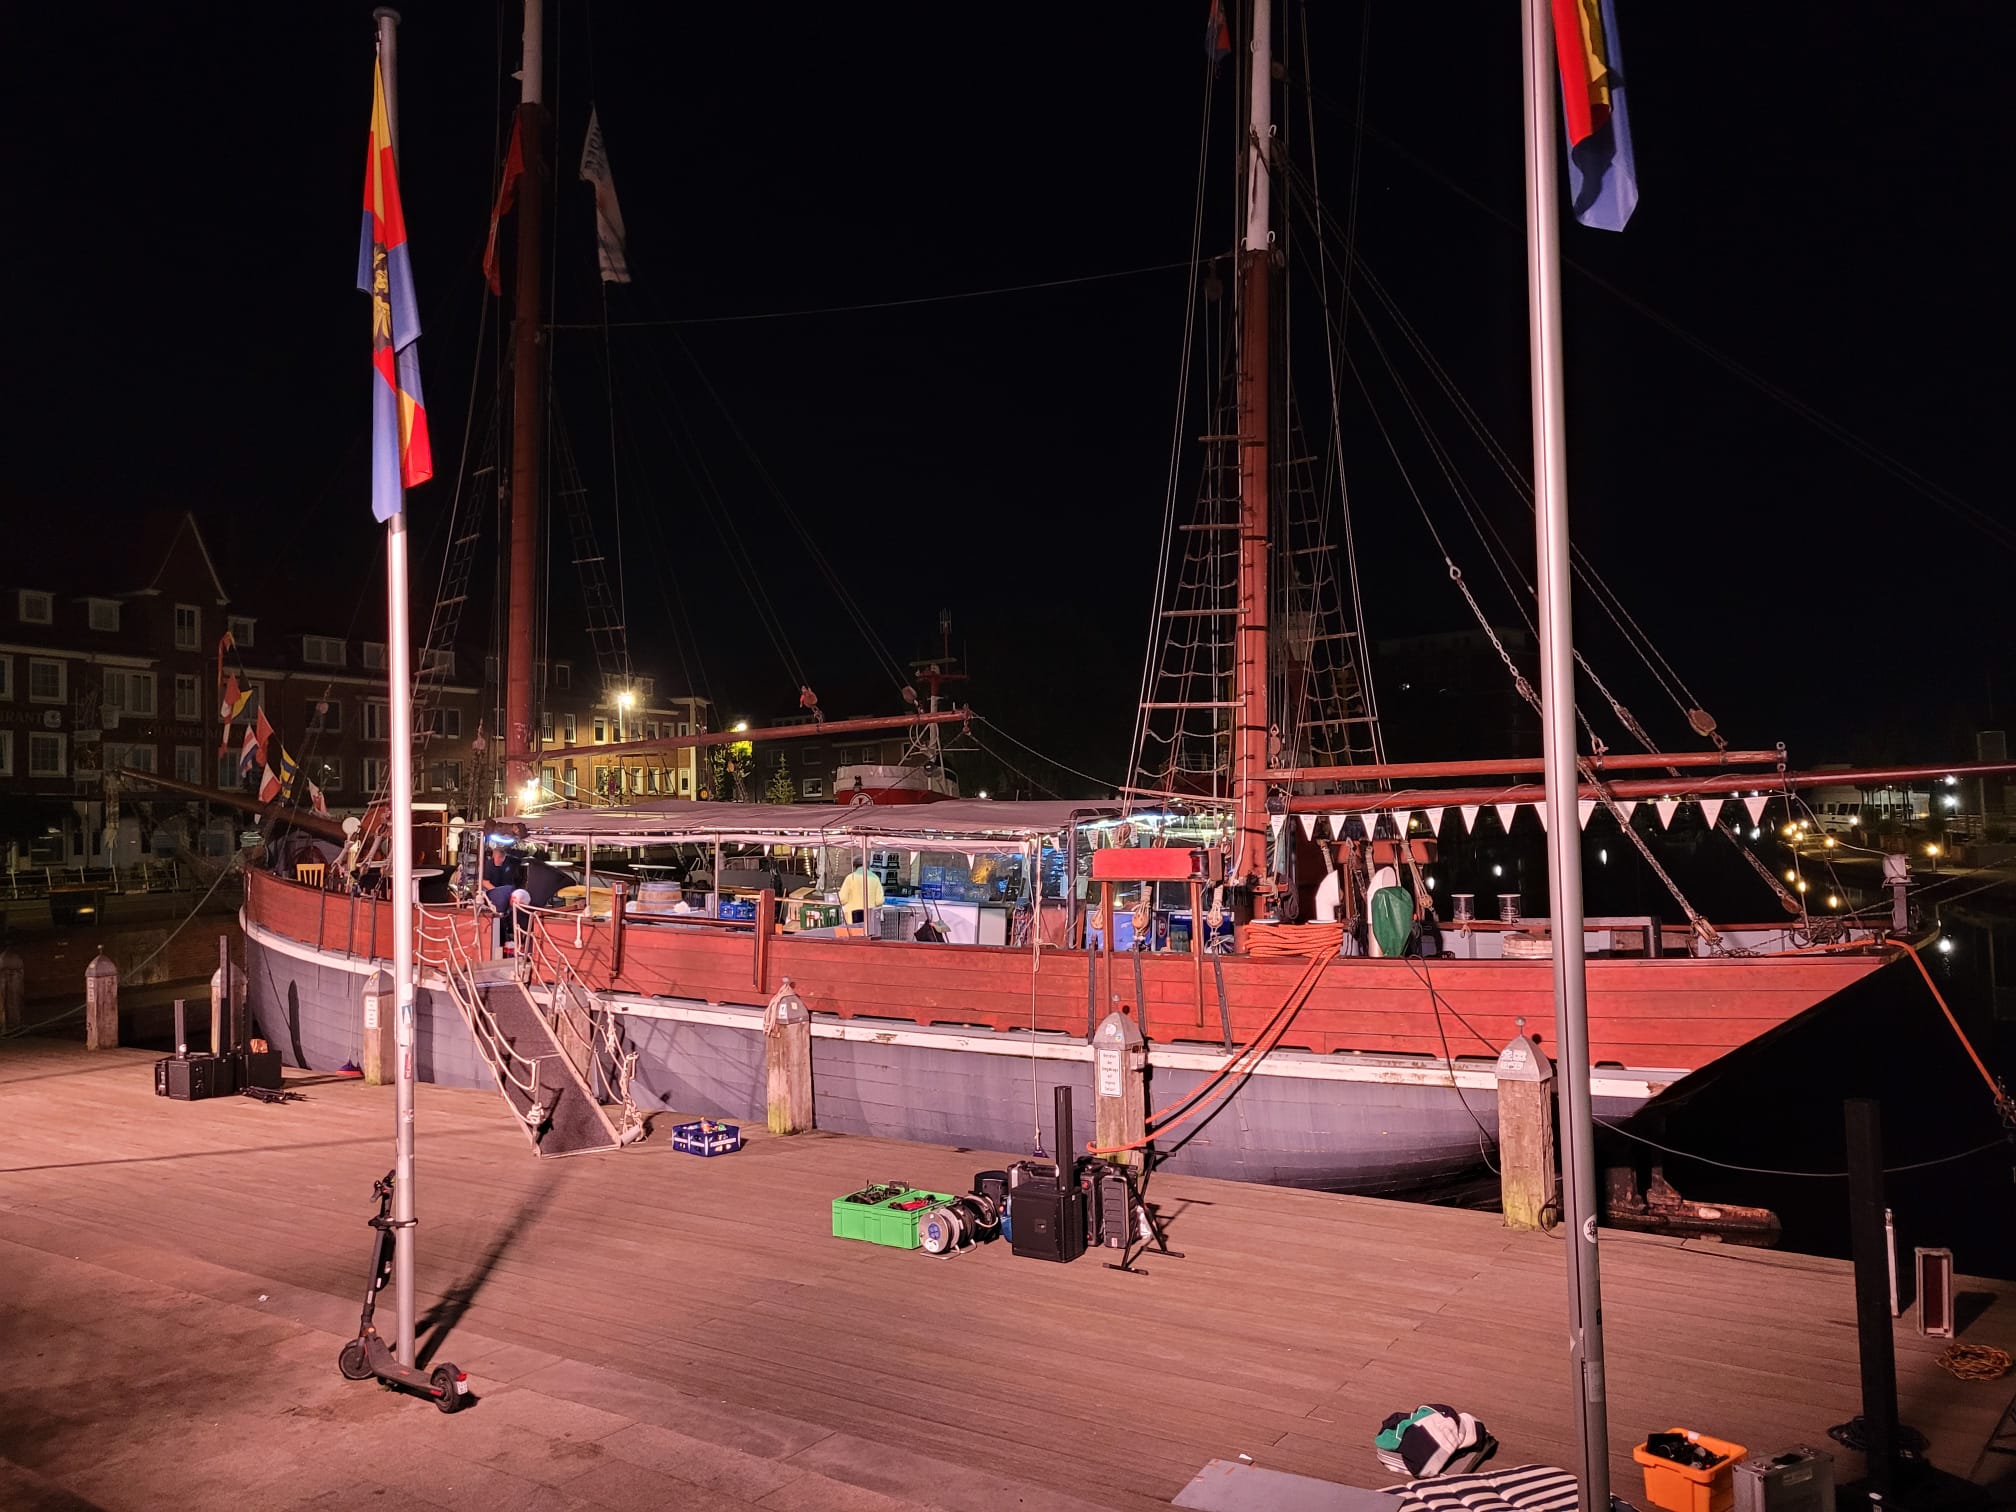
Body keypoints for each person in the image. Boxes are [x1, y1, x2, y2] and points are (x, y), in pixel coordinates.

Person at [837, 858, 884, 925]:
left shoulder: (850, 878)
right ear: (867, 865)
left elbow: (842, 898)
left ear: (854, 866)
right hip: (869, 917)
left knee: (855, 931)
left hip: (852, 917)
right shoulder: (875, 878)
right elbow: (879, 901)